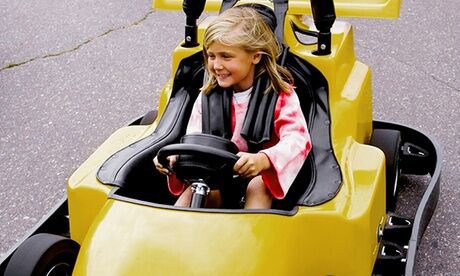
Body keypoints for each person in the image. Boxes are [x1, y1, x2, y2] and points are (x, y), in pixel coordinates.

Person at [154, 6, 311, 209]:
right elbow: (195, 140)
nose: (216, 65)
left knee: (257, 186)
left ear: (256, 56)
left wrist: (263, 160)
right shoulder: (207, 96)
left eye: (226, 57)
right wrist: (176, 159)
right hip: (218, 175)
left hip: (263, 175)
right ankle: (176, 230)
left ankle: (249, 236)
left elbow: (298, 140)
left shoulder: (280, 95)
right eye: (211, 56)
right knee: (196, 187)